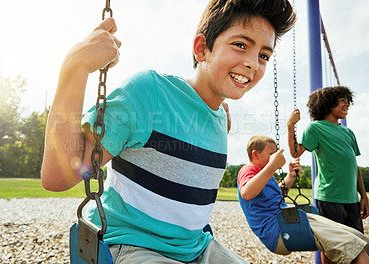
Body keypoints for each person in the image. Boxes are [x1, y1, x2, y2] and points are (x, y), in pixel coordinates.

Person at [41, 1, 296, 263]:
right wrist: (76, 65)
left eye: (264, 55)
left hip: (196, 248)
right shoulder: (149, 93)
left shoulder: (220, 116)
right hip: (133, 244)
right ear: (201, 49)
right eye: (241, 45)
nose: (253, 63)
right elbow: (57, 176)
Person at [238, 135, 369, 264]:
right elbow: (246, 193)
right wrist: (272, 166)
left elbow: (276, 195)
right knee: (353, 246)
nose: (275, 157)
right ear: (255, 154)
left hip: (287, 222)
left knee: (360, 240)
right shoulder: (248, 169)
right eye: (272, 154)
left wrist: (291, 176)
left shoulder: (265, 175)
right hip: (277, 230)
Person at [287, 86, 369, 234]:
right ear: (327, 103)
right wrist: (290, 125)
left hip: (351, 199)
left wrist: (363, 196)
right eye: (342, 101)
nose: (347, 104)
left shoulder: (348, 132)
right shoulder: (315, 128)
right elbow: (295, 152)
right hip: (329, 197)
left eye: (348, 100)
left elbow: (354, 167)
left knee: (358, 244)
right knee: (332, 247)